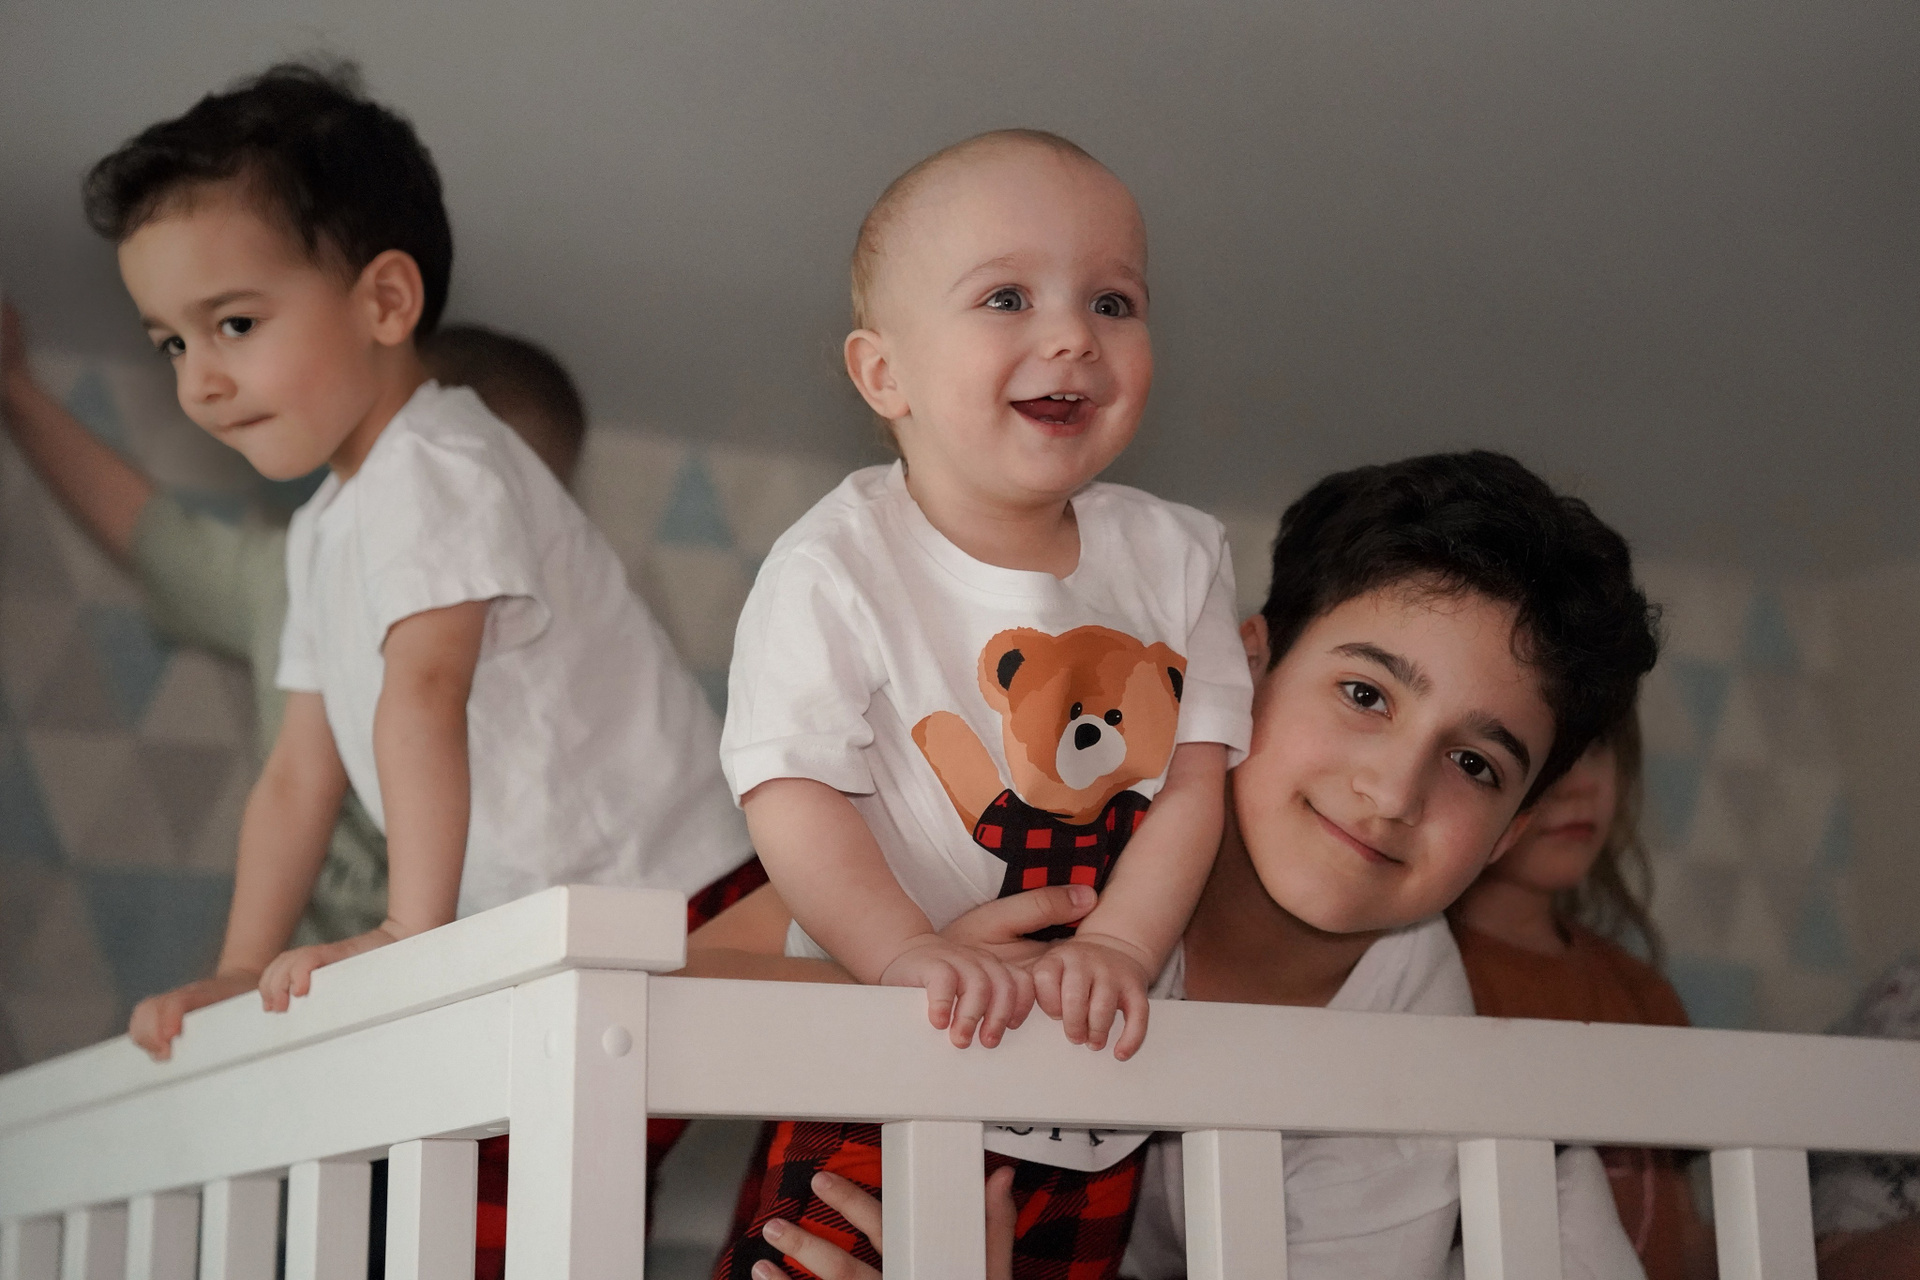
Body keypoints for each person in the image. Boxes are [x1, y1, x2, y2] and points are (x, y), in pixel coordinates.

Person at [696, 451, 1661, 1279]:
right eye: (1365, 695)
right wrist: (911, 971)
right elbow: (672, 993)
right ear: (1243, 669)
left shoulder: (1410, 1048)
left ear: (1508, 834)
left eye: (1475, 765)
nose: (1394, 791)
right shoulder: (1076, 818)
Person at [72, 60, 752, 1059]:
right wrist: (241, 965)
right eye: (171, 343)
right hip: (572, 922)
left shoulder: (436, 461)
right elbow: (299, 773)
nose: (200, 381)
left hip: (673, 888)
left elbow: (427, 689)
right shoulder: (324, 530)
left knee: (765, 1113)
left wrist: (407, 935)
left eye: (234, 324)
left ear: (385, 301)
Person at [713, 128, 1254, 1278]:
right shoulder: (836, 567)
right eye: (1008, 296)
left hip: (1093, 1078)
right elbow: (791, 790)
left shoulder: (1179, 557)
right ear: (884, 374)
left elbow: (1193, 787)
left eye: (1113, 301)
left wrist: (1120, 941)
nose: (1073, 335)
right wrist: (902, 949)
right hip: (892, 1047)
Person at [2, 304, 590, 946]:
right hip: (299, 983)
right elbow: (155, 537)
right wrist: (13, 386)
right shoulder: (297, 574)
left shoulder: (576, 651)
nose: (459, 517)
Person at [1449, 712, 1717, 1280]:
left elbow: (1683, 1231)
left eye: (1594, 746)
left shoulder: (1641, 992)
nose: (1579, 785)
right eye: (1548, 753)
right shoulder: (1427, 979)